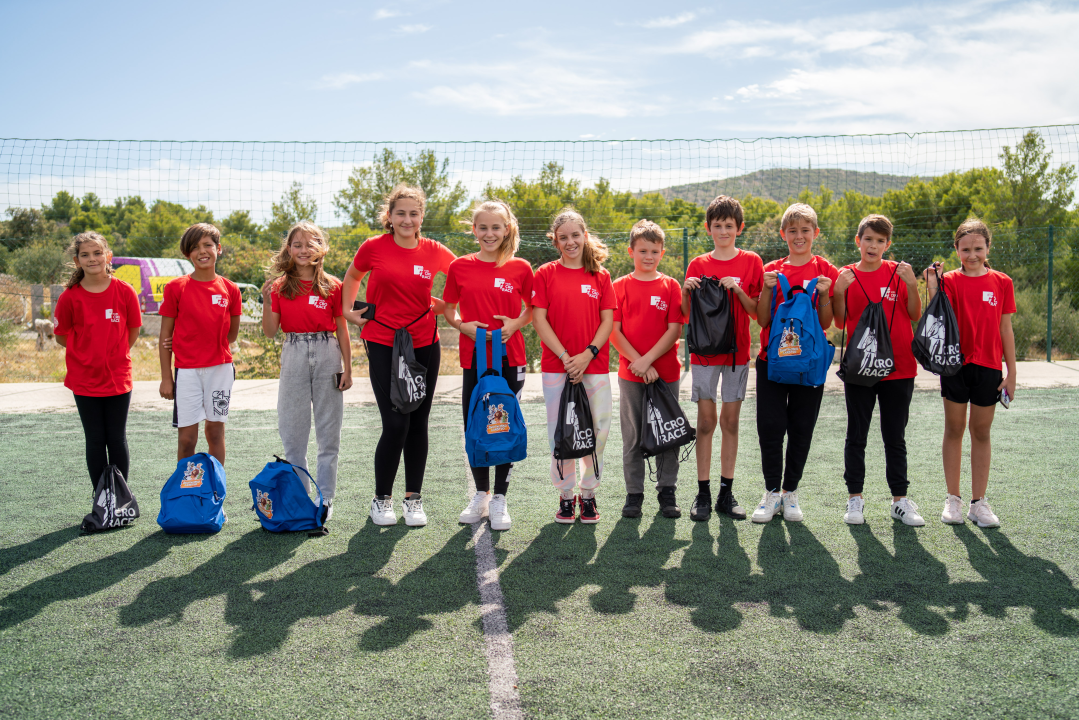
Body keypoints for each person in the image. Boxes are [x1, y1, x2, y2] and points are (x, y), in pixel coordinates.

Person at [341, 184, 455, 527]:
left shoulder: (435, 251)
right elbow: (352, 277)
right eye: (400, 213)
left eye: (414, 213)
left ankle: (413, 500)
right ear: (389, 217)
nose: (407, 219)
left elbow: (464, 280)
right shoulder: (374, 248)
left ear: (422, 217)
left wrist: (441, 307)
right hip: (383, 341)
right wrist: (348, 310)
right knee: (395, 422)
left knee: (418, 421)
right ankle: (381, 499)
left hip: (424, 342)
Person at [443, 200, 533, 531]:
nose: (489, 233)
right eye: (483, 227)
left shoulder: (520, 267)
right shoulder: (460, 267)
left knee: (504, 424)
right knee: (476, 425)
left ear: (506, 228)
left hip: (511, 358)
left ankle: (500, 499)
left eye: (496, 227)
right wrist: (461, 326)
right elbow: (450, 310)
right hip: (475, 358)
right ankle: (481, 494)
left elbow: (533, 309)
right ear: (474, 230)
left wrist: (515, 324)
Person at [833, 214, 924, 526]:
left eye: (880, 241)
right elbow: (839, 321)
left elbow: (915, 314)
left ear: (888, 244)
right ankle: (854, 499)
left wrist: (912, 283)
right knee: (856, 434)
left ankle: (900, 500)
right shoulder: (845, 275)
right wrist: (838, 292)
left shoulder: (899, 273)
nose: (873, 245)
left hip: (899, 367)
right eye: (868, 239)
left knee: (894, 436)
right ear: (858, 241)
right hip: (861, 367)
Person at [926, 218, 1016, 528]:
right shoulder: (948, 280)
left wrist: (1011, 372)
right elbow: (935, 315)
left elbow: (1005, 327)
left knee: (981, 432)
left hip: (989, 367)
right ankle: (953, 499)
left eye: (978, 248)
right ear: (956, 249)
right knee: (954, 428)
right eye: (966, 249)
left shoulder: (1002, 282)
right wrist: (932, 284)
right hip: (955, 366)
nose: (972, 254)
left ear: (988, 247)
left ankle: (979, 503)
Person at [752, 203, 838, 523]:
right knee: (771, 427)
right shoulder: (772, 269)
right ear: (783, 234)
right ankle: (772, 492)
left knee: (802, 428)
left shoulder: (827, 270)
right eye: (793, 231)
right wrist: (766, 288)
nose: (799, 236)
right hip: (772, 361)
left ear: (815, 233)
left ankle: (790, 493)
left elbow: (830, 323)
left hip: (810, 364)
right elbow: (762, 320)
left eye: (805, 230)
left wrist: (827, 295)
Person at [262, 221, 352, 521]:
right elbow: (271, 331)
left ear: (321, 248)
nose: (303, 250)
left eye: (310, 244)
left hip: (328, 353)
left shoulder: (332, 286)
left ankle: (324, 497)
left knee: (329, 432)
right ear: (289, 249)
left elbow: (341, 327)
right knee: (293, 431)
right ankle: (301, 496)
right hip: (295, 352)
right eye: (297, 245)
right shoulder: (279, 287)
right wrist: (265, 300)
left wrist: (348, 368)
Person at [680, 196, 763, 522]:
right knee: (705, 423)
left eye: (730, 225)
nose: (724, 231)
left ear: (739, 228)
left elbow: (756, 312)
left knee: (730, 422)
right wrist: (686, 291)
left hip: (737, 355)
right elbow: (686, 316)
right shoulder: (698, 264)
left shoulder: (751, 261)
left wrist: (738, 290)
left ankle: (726, 493)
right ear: (709, 228)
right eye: (718, 226)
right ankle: (702, 493)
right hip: (702, 355)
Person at [532, 208, 615, 524]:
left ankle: (589, 495)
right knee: (561, 432)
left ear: (585, 235)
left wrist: (587, 354)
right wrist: (567, 357)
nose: (570, 242)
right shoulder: (545, 274)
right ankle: (566, 496)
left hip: (593, 367)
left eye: (575, 235)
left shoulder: (601, 275)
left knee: (598, 431)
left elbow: (608, 321)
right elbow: (539, 319)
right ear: (555, 241)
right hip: (558, 367)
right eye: (563, 237)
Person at [53, 231, 142, 493]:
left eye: (97, 253)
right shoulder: (70, 296)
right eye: (85, 254)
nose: (92, 259)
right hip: (84, 380)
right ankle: (101, 497)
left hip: (118, 378)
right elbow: (61, 337)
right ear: (77, 260)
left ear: (108, 256)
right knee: (94, 439)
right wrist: (87, 354)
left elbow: (134, 331)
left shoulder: (124, 291)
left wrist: (113, 355)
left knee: (116, 438)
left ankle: (119, 497)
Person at [611, 220, 685, 519]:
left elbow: (674, 330)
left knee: (668, 433)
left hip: (666, 374)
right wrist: (637, 364)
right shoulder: (619, 286)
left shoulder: (670, 286)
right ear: (631, 251)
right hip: (631, 375)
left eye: (654, 251)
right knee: (633, 436)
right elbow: (613, 331)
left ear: (662, 253)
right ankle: (634, 495)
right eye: (643, 250)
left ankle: (667, 492)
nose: (648, 256)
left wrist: (649, 361)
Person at [158, 223, 241, 465]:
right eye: (195, 247)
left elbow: (231, 336)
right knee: (186, 439)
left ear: (219, 249)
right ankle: (186, 495)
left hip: (220, 370)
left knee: (215, 433)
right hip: (187, 373)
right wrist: (166, 377)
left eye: (208, 245)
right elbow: (165, 339)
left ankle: (216, 493)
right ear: (187, 254)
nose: (202, 251)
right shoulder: (176, 287)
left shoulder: (231, 289)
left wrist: (203, 337)